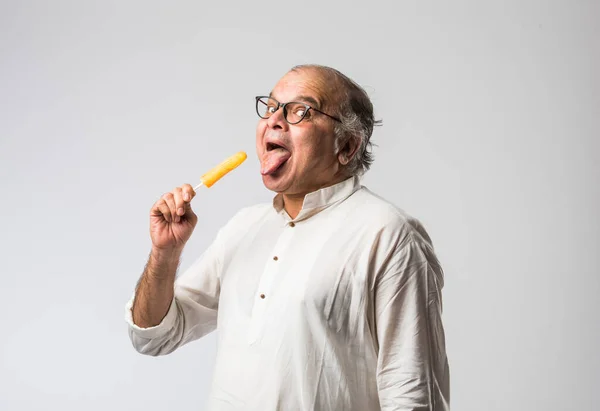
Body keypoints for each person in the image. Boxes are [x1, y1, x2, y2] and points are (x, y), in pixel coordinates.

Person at [124, 64, 450, 410]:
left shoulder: (389, 234)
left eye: (300, 111)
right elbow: (154, 337)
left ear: (348, 147)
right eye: (271, 107)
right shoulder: (243, 227)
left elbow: (412, 394)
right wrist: (165, 253)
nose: (274, 120)